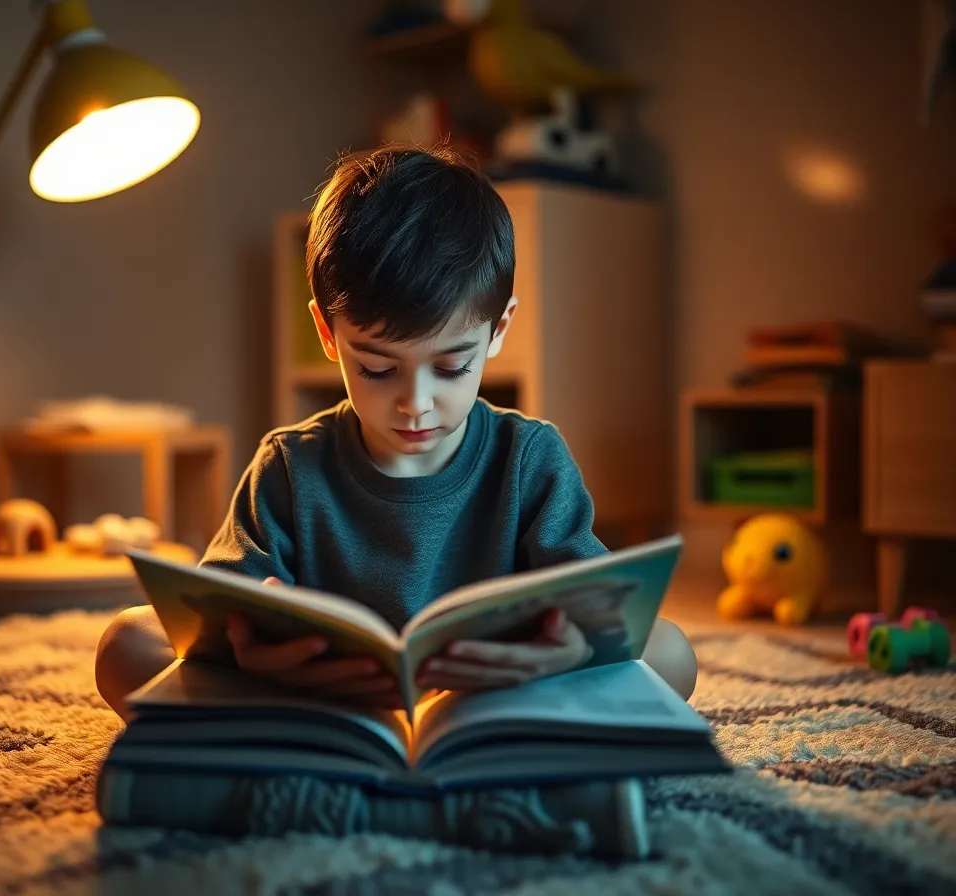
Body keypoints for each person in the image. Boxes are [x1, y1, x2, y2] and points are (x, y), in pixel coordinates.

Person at [96, 144, 697, 717]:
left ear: (498, 330)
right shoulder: (288, 466)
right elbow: (209, 620)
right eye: (378, 369)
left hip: (491, 701)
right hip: (320, 703)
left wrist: (571, 649)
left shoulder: (530, 459)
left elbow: (598, 613)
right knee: (128, 644)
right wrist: (253, 653)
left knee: (670, 652)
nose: (416, 404)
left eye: (452, 367)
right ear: (328, 334)